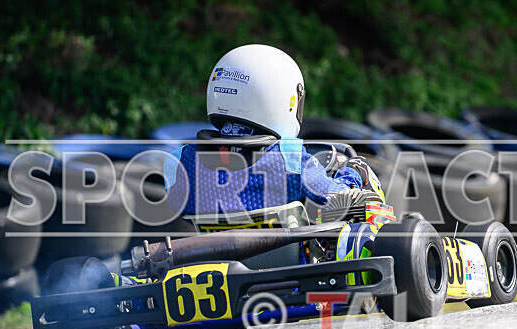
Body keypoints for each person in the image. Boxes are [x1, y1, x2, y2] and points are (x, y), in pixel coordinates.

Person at [164, 44, 383, 217]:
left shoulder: (179, 161)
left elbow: (183, 210)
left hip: (211, 264)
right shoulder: (290, 157)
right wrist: (354, 172)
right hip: (284, 270)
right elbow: (336, 198)